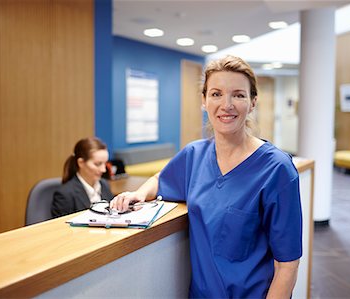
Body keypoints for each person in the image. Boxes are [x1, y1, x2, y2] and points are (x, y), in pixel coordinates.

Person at [110, 55, 302, 298]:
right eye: (216, 94)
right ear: (204, 100)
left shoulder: (277, 169)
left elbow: (287, 264)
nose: (227, 104)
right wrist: (139, 194)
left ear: (253, 102)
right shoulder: (194, 155)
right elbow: (161, 179)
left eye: (239, 95)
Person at [51, 137, 113, 218]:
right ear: (81, 163)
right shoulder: (65, 194)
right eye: (98, 164)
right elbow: (61, 228)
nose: (103, 169)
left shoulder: (104, 184)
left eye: (105, 164)